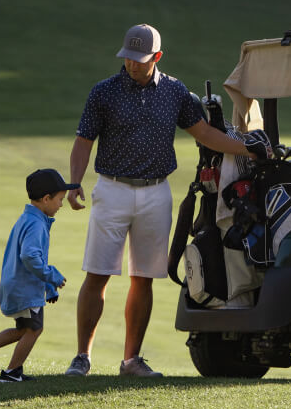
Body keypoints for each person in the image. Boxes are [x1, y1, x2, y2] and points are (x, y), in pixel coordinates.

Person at [64, 23, 255, 377]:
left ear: (157, 57)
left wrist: (247, 149)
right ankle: (82, 357)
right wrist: (74, 182)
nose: (133, 65)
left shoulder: (175, 92)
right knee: (98, 273)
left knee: (144, 277)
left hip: (155, 193)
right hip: (112, 189)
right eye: (128, 59)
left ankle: (131, 360)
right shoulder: (104, 92)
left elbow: (205, 134)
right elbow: (83, 142)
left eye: (140, 59)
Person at [0, 168, 74, 382]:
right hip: (24, 287)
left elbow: (35, 258)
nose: (62, 204)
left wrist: (49, 289)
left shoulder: (29, 219)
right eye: (60, 199)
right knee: (35, 329)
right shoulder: (36, 225)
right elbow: (31, 257)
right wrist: (52, 277)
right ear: (46, 199)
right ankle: (12, 372)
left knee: (24, 328)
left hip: (18, 284)